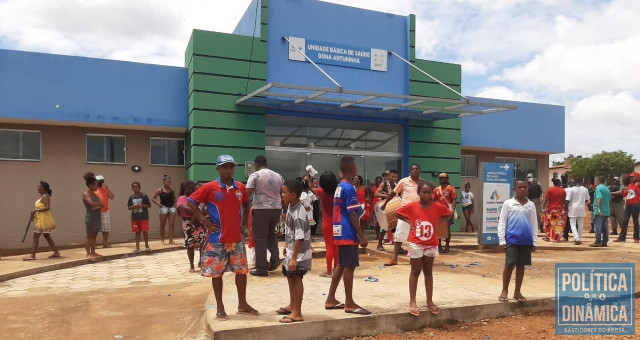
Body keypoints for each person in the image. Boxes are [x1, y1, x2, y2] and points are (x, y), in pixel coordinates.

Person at [186, 154, 257, 321]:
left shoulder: (240, 187)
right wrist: (203, 219)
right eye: (225, 166)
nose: (229, 170)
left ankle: (242, 304)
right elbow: (191, 202)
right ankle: (220, 306)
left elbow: (247, 204)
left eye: (231, 166)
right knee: (216, 274)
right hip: (216, 240)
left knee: (241, 272)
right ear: (218, 168)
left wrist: (244, 224)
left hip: (236, 239)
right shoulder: (210, 187)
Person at [395, 180, 451, 316]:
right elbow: (397, 213)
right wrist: (410, 222)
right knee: (415, 271)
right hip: (416, 243)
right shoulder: (412, 206)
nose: (426, 195)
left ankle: (429, 301)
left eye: (429, 192)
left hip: (431, 243)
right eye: (423, 192)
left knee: (428, 272)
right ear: (418, 193)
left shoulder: (437, 207)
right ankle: (412, 301)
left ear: (432, 193)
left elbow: (448, 213)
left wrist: (438, 222)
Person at [324, 156, 370, 315]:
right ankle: (349, 302)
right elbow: (352, 213)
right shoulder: (349, 188)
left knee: (341, 265)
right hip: (348, 232)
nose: (356, 168)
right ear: (352, 169)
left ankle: (330, 299)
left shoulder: (340, 187)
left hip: (339, 230)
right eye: (355, 166)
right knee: (349, 266)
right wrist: (361, 234)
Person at [277, 180, 312, 323]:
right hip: (293, 251)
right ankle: (292, 305)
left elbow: (300, 237)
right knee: (290, 276)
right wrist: (287, 246)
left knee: (296, 278)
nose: (282, 194)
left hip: (300, 253)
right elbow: (290, 232)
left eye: (284, 192)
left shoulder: (298, 213)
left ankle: (297, 312)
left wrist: (294, 258)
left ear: (293, 195)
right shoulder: (291, 207)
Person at [497, 179, 538, 303]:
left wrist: (534, 241)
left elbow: (534, 224)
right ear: (514, 188)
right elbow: (502, 222)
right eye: (519, 187)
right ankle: (504, 290)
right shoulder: (508, 204)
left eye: (524, 187)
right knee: (509, 265)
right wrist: (502, 240)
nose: (522, 189)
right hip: (512, 239)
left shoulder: (531, 205)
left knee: (521, 266)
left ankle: (517, 291)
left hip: (526, 240)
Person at [245, 155, 284, 276]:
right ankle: (275, 259)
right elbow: (282, 193)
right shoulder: (278, 176)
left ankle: (261, 268)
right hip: (276, 209)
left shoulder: (255, 175)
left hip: (261, 209)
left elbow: (247, 194)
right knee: (271, 234)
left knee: (260, 238)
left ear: (256, 165)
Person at [381, 164, 422, 265]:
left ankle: (417, 259)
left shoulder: (423, 182)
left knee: (418, 237)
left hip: (419, 213)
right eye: (413, 169)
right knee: (399, 236)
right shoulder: (403, 181)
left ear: (420, 171)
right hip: (405, 213)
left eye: (417, 169)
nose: (415, 170)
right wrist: (385, 203)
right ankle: (394, 259)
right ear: (409, 172)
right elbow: (393, 193)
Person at [23, 181, 61, 260]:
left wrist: (36, 211)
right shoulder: (43, 196)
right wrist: (35, 212)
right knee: (47, 236)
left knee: (35, 237)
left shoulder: (44, 196)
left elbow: (47, 207)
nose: (37, 188)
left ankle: (32, 255)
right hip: (42, 218)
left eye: (39, 186)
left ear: (43, 188)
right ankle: (56, 252)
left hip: (43, 219)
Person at [314, 171, 339, 278]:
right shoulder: (338, 191)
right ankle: (336, 269)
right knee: (336, 247)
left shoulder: (321, 192)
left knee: (329, 247)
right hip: (338, 222)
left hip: (327, 222)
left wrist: (310, 176)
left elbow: (310, 187)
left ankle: (329, 271)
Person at [177, 180, 205, 272]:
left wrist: (197, 210)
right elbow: (186, 209)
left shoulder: (196, 197)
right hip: (188, 223)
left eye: (192, 189)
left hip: (199, 222)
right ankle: (191, 265)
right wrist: (197, 210)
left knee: (202, 243)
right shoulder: (182, 198)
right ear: (185, 189)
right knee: (190, 244)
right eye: (189, 189)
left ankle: (201, 262)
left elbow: (203, 208)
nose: (191, 191)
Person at [433, 172, 457, 253]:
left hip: (447, 211)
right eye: (440, 178)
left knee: (447, 229)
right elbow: (433, 200)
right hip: (438, 212)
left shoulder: (451, 188)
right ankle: (439, 246)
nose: (440, 179)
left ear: (447, 179)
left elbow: (454, 200)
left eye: (443, 178)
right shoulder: (436, 189)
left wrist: (452, 210)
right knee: (438, 229)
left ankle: (447, 246)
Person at [613, 172, 640, 243]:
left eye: (633, 177)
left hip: (635, 204)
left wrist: (637, 186)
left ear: (637, 178)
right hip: (628, 204)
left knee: (635, 221)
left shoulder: (638, 185)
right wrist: (623, 191)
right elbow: (625, 195)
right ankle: (622, 237)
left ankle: (636, 238)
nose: (631, 178)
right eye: (630, 177)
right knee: (625, 221)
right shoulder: (629, 185)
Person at [375, 169, 398, 248]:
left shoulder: (396, 185)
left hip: (394, 206)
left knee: (395, 226)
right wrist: (387, 196)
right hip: (384, 206)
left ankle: (396, 244)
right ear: (388, 176)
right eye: (392, 176)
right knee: (384, 226)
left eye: (395, 177)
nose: (394, 178)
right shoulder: (384, 183)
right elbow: (376, 194)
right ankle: (379, 244)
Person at [82, 172, 103, 261]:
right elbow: (91, 203)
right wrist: (97, 205)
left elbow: (102, 205)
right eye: (96, 185)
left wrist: (97, 205)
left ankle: (93, 251)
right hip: (90, 217)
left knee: (94, 235)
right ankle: (88, 253)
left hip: (97, 217)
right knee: (89, 235)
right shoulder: (86, 194)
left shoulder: (95, 194)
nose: (97, 187)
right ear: (90, 185)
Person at [127, 181, 152, 253]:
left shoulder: (144, 196)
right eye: (134, 187)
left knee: (145, 231)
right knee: (137, 232)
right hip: (135, 217)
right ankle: (137, 247)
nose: (135, 188)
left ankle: (147, 246)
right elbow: (129, 207)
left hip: (143, 217)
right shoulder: (131, 197)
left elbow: (149, 205)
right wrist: (133, 206)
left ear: (140, 187)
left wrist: (142, 205)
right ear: (132, 188)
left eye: (137, 187)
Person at [152, 175, 177, 245]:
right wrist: (158, 204)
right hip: (164, 208)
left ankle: (171, 240)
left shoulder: (172, 189)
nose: (169, 183)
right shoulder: (160, 190)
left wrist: (175, 202)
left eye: (170, 182)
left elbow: (174, 197)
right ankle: (162, 240)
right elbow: (153, 198)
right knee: (162, 224)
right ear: (164, 182)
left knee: (171, 224)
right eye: (167, 182)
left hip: (172, 207)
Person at [565, 179, 589, 245]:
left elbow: (567, 200)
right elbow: (586, 200)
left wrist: (565, 207)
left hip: (573, 208)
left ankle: (576, 238)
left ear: (575, 182)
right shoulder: (585, 189)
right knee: (580, 224)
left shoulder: (572, 189)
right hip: (581, 208)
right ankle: (579, 238)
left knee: (573, 224)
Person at [541, 178, 566, 242]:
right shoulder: (563, 191)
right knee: (557, 224)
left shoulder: (550, 190)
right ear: (559, 183)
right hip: (559, 210)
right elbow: (564, 200)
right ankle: (556, 238)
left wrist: (543, 207)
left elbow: (546, 199)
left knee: (549, 224)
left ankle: (549, 237)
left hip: (550, 209)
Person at [590, 176, 611, 247]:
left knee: (597, 227)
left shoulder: (598, 188)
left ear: (598, 180)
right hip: (606, 210)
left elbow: (599, 198)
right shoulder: (607, 189)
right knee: (605, 227)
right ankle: (605, 241)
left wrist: (598, 209)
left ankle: (598, 241)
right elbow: (609, 200)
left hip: (599, 211)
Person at [94, 175, 114, 248]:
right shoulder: (94, 189)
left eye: (102, 181)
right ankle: (94, 244)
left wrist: (106, 188)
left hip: (105, 211)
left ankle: (105, 243)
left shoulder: (105, 188)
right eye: (99, 181)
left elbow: (112, 197)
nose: (101, 182)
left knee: (106, 228)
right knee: (95, 228)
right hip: (96, 212)